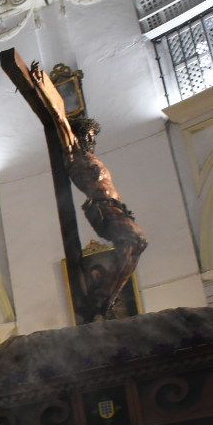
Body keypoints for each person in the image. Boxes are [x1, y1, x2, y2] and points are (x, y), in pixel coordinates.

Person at [67, 115, 148, 319]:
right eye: (89, 135)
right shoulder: (75, 159)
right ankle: (103, 296)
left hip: (117, 207)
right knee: (134, 241)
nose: (92, 140)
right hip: (103, 207)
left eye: (93, 137)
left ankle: (108, 298)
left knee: (138, 244)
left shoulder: (88, 157)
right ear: (79, 137)